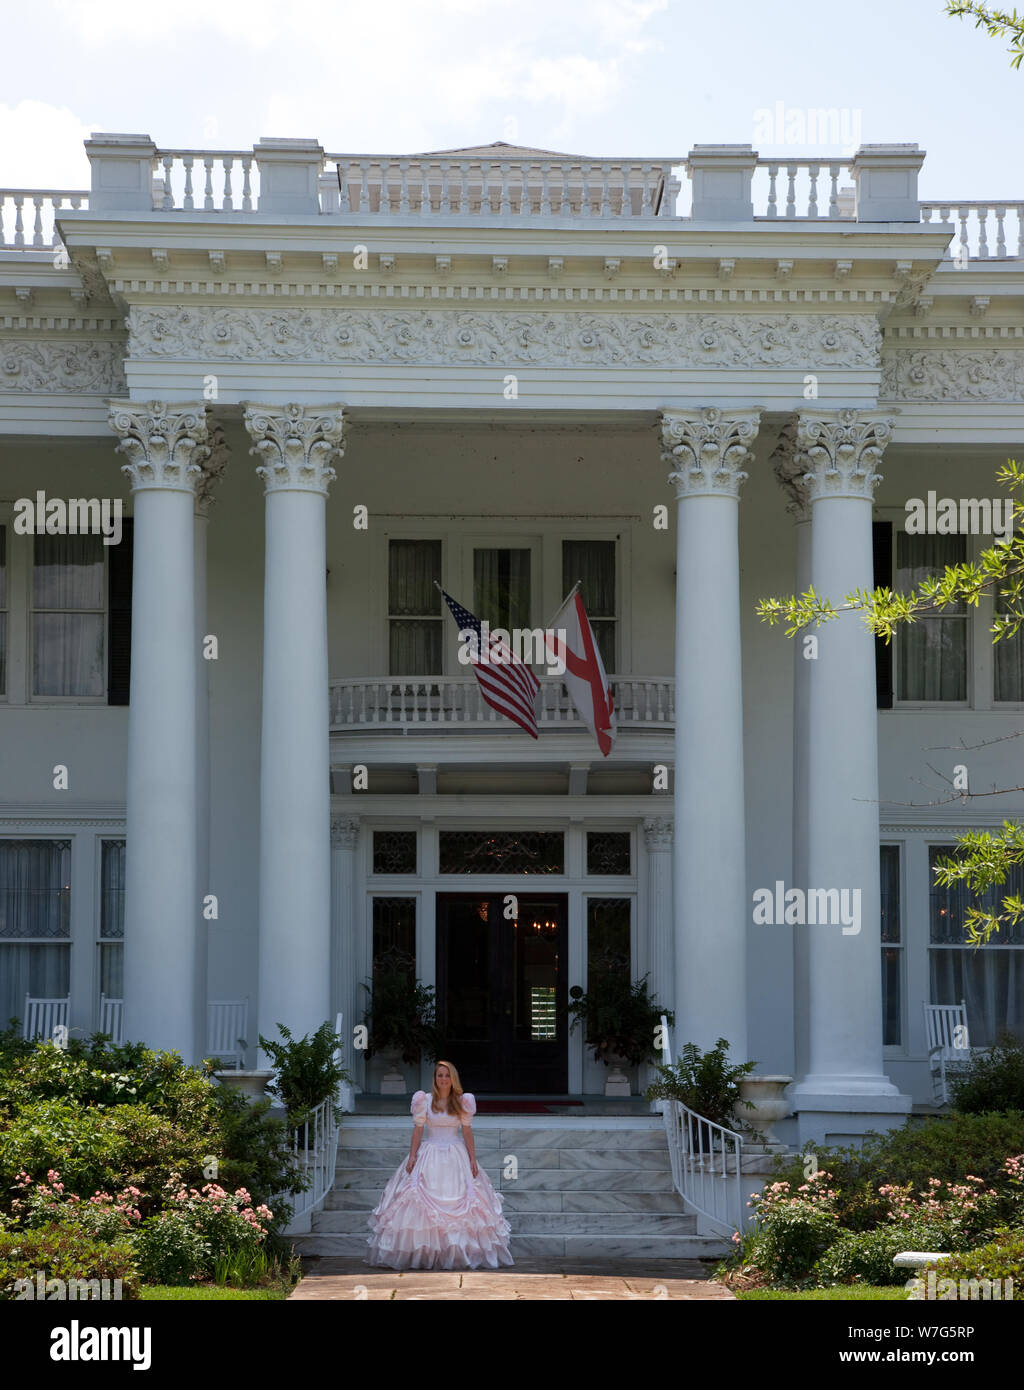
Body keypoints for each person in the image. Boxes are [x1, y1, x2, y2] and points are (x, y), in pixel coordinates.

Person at [366, 1059, 513, 1270]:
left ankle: (456, 1253)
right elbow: (418, 1130)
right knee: (416, 1200)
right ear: (435, 1078)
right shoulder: (424, 1100)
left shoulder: (462, 1101)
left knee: (468, 1201)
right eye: (439, 1075)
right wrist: (412, 1156)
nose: (443, 1079)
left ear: (453, 1079)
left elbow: (467, 1132)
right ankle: (424, 1253)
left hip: (456, 1155)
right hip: (430, 1154)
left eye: (446, 1076)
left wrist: (472, 1158)